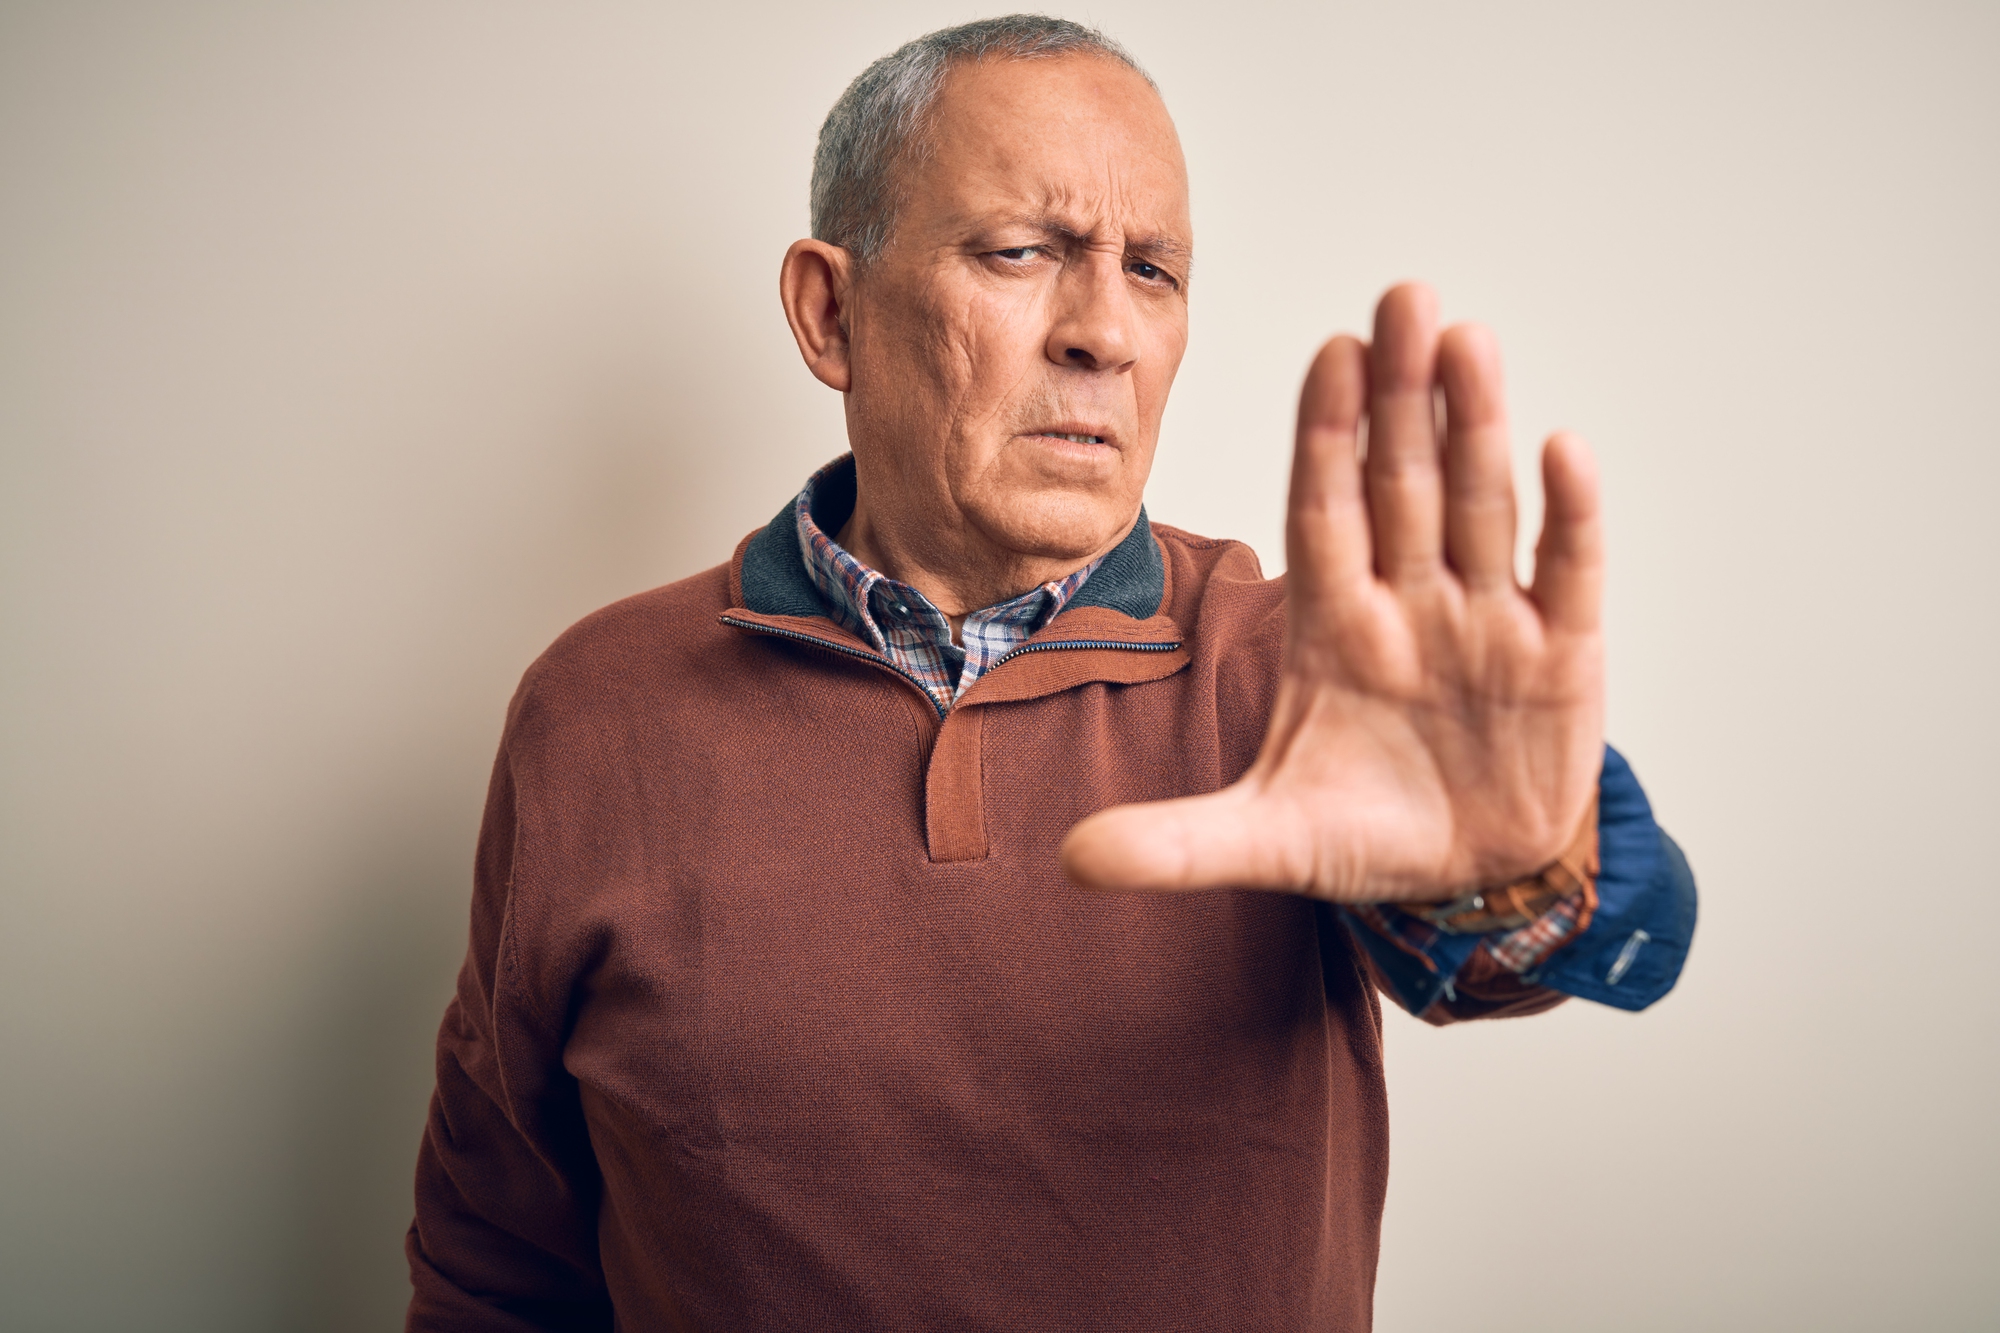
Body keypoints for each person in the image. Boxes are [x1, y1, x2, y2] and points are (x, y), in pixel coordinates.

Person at [405, 16, 1696, 1331]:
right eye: (1023, 252)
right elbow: (497, 1258)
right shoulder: (596, 708)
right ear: (829, 309)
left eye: (1153, 270)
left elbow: (1603, 928)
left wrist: (1519, 866)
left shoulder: (1301, 672)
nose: (1106, 334)